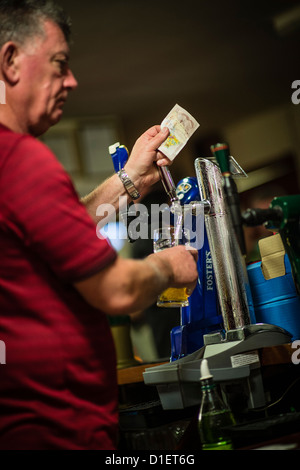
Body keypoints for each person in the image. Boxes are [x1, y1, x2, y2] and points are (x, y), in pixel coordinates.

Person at [0, 0, 198, 450]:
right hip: (54, 428)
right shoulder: (20, 159)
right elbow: (117, 291)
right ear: (10, 61)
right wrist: (167, 265)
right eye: (59, 64)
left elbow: (57, 229)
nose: (71, 80)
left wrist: (131, 180)